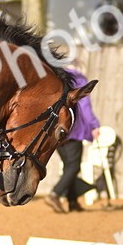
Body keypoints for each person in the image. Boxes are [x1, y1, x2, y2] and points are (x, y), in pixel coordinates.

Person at [46, 67, 101, 213]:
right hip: (74, 129)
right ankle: (55, 194)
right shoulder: (78, 79)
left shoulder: (55, 76)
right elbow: (84, 105)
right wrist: (94, 125)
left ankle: (72, 201)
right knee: (74, 167)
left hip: (57, 129)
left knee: (68, 166)